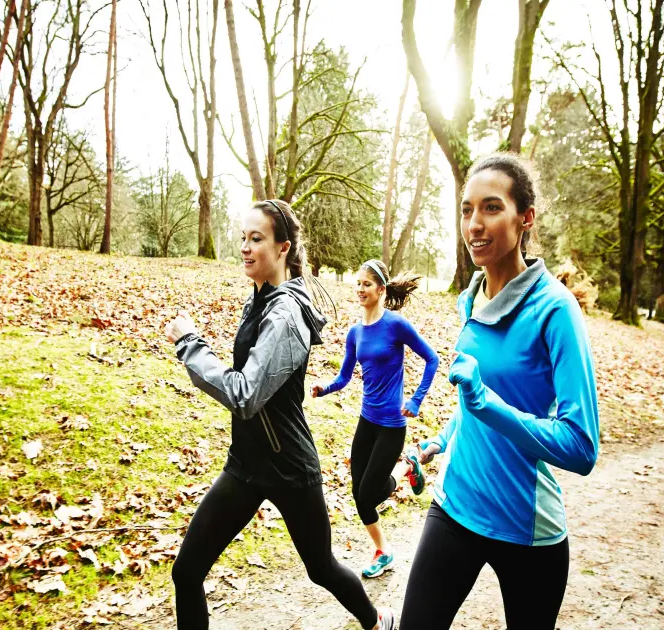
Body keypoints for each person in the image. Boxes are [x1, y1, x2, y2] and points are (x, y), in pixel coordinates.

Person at [164, 199, 397, 630]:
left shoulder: (286, 314)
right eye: (243, 238)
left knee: (320, 567)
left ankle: (377, 619)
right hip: (247, 464)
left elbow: (245, 393)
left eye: (257, 239)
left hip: (289, 467)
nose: (246, 248)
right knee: (187, 571)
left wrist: (190, 344)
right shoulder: (260, 300)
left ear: (283, 247)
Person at [401, 155, 600, 629]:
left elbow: (581, 445)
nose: (474, 224)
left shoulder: (555, 309)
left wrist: (487, 407)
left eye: (491, 208)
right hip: (456, 506)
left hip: (527, 530)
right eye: (466, 210)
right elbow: (474, 403)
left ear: (525, 218)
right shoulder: (471, 297)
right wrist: (442, 440)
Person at [311, 259, 438, 579]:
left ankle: (408, 464)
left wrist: (417, 398)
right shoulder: (355, 332)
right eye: (358, 283)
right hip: (367, 421)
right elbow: (344, 377)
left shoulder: (396, 325)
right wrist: (324, 388)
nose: (360, 289)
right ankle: (383, 550)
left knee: (368, 493)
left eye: (367, 284)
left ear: (381, 290)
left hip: (393, 424)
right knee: (359, 494)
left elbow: (431, 359)